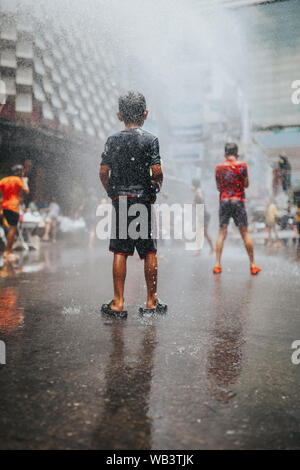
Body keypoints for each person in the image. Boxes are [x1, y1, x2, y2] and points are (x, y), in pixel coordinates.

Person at [99, 91, 167, 317]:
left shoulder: (112, 141)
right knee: (149, 251)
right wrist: (156, 186)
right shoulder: (150, 140)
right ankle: (151, 301)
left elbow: (103, 171)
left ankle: (118, 303)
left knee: (119, 250)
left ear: (119, 116)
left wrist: (111, 191)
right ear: (145, 114)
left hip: (120, 200)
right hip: (142, 201)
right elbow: (156, 170)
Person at [214, 143, 261, 275]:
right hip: (238, 200)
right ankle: (252, 264)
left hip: (224, 201)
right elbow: (246, 184)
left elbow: (218, 187)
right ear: (237, 154)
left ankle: (217, 264)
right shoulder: (242, 166)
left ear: (224, 154)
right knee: (245, 233)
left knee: (222, 232)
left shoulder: (218, 168)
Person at [0, 164, 30, 260]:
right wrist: (25, 182)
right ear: (21, 173)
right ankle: (7, 252)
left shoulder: (5, 180)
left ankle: (10, 250)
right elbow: (26, 191)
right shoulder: (18, 180)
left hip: (4, 206)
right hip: (13, 207)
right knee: (13, 228)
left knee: (10, 228)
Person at [191, 178, 214, 255]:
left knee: (200, 232)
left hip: (203, 215)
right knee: (204, 233)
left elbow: (201, 198)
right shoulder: (198, 191)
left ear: (194, 185)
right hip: (202, 214)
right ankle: (212, 248)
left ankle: (199, 250)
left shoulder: (199, 191)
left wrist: (195, 191)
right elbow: (196, 203)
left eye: (192, 184)